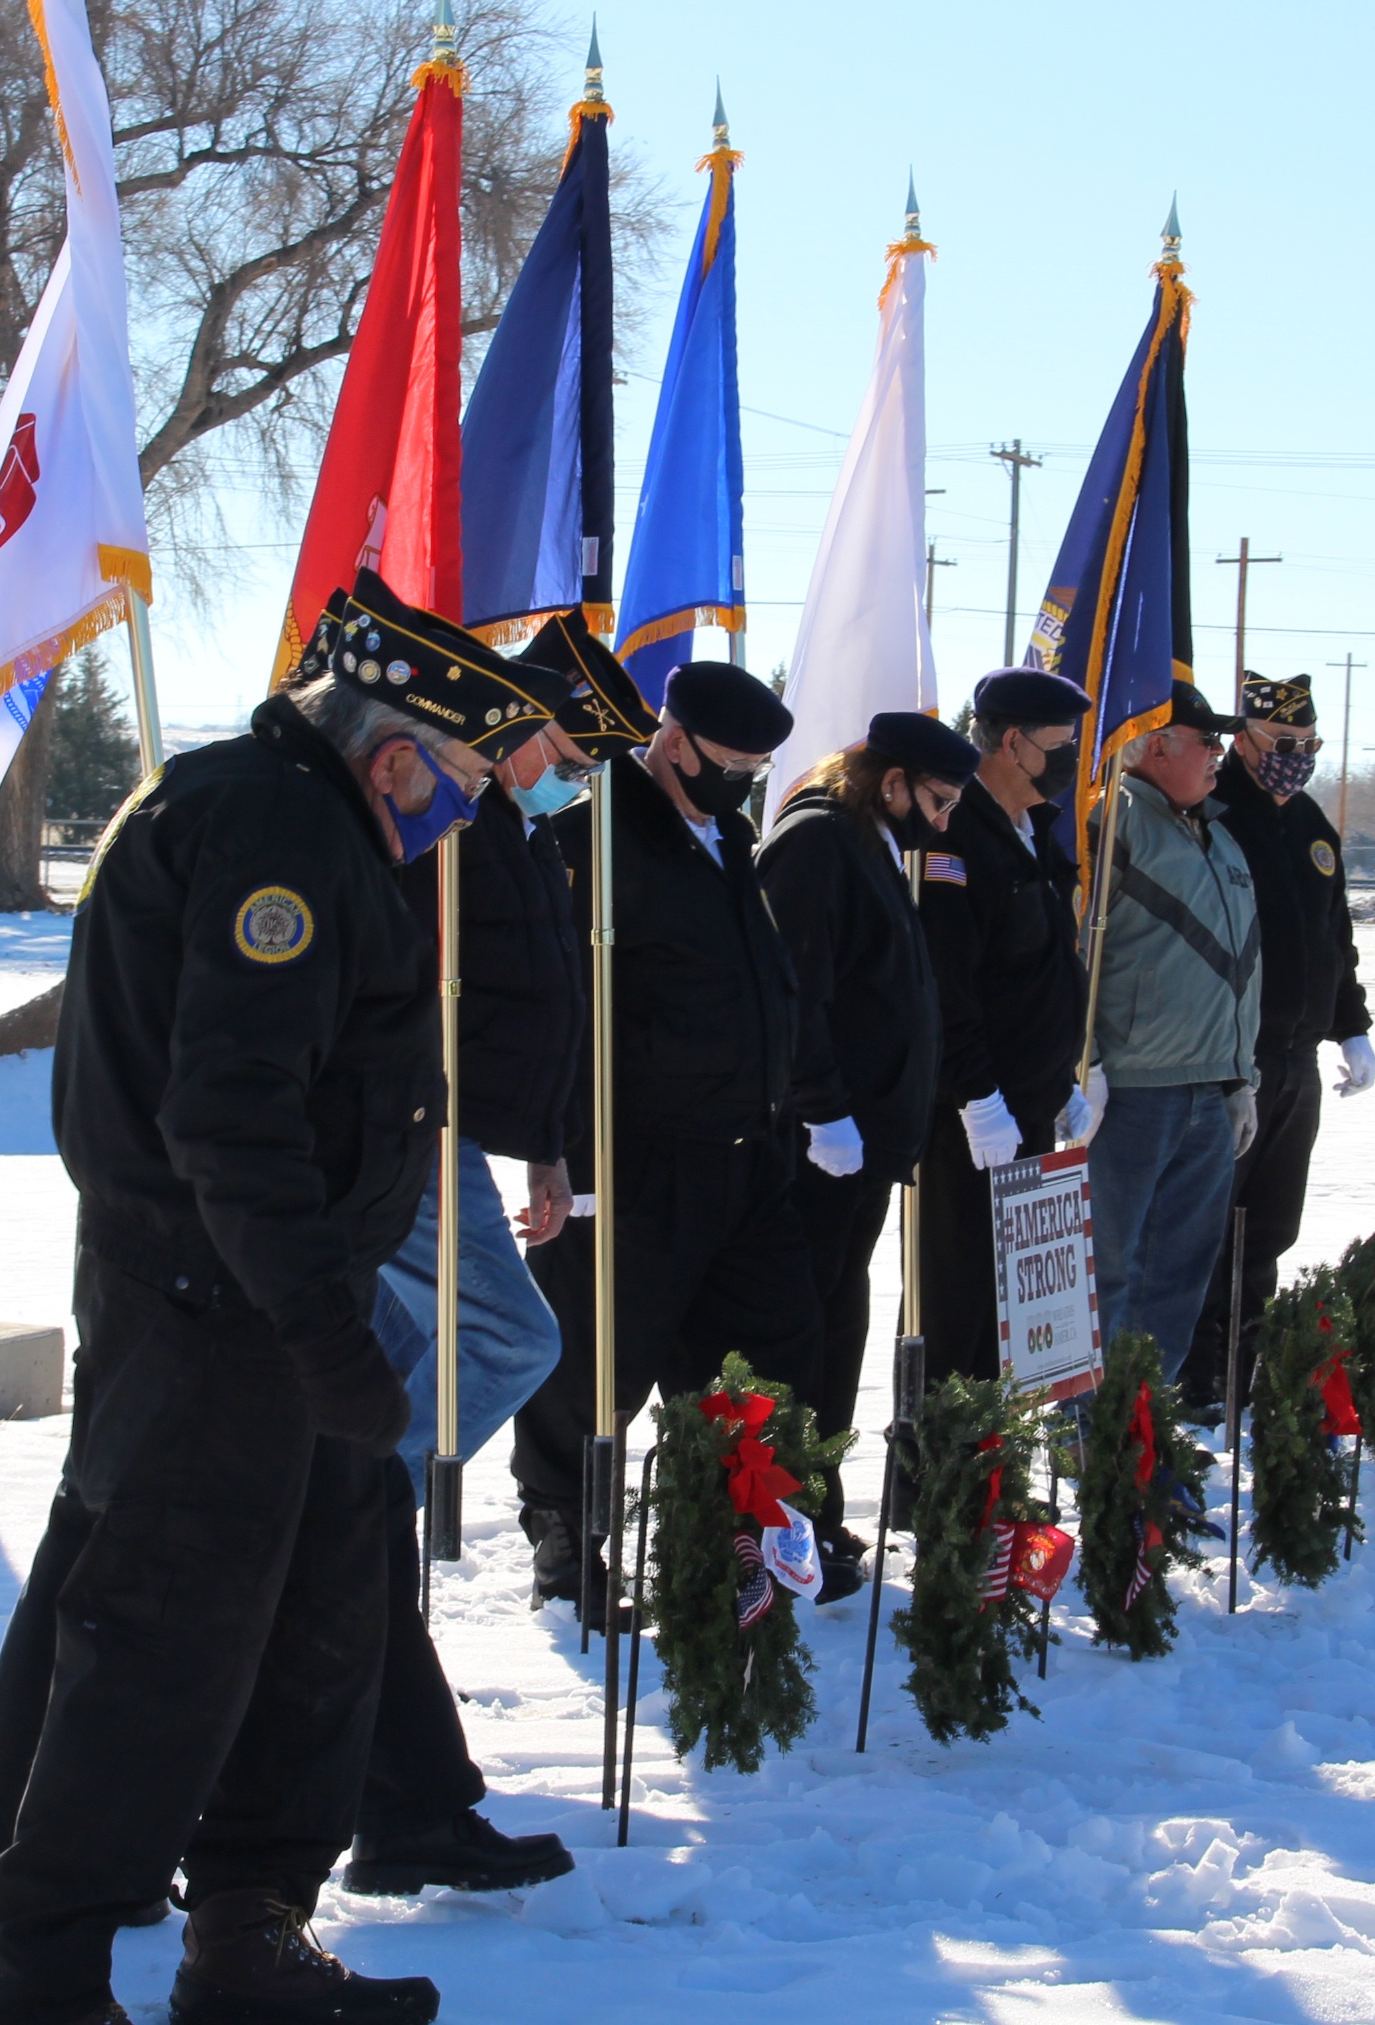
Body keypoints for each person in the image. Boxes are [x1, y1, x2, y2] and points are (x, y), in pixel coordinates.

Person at [0, 572, 553, 2025]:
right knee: (167, 1644)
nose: (469, 812)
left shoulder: (316, 818)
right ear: (396, 751)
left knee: (321, 1625)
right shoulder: (277, 829)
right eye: (466, 779)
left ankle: (248, 1930)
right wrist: (318, 1332)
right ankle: (39, 1972)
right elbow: (230, 1120)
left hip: (285, 1299)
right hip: (219, 1309)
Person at [339, 623, 618, 1902]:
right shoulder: (451, 828)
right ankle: (345, 1512)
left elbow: (539, 997)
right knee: (513, 1339)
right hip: (405, 1126)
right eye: (567, 745)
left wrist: (547, 1147)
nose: (575, 773)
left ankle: (347, 1506)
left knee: (404, 1369)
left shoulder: (509, 829)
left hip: (466, 1129)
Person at [506, 659, 820, 1624]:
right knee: (599, 1357)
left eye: (762, 766)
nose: (748, 780)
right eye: (734, 760)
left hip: (746, 1150)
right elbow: (550, 1004)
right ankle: (566, 1533)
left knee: (764, 1347)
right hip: (635, 1157)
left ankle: (724, 1529)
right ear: (673, 742)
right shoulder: (595, 833)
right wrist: (555, 1141)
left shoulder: (725, 832)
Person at [751, 709, 980, 1598]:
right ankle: (783, 1510)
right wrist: (822, 1109)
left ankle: (815, 1500)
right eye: (936, 798)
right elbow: (796, 991)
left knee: (837, 1329)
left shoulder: (875, 845)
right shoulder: (816, 845)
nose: (945, 819)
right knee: (802, 1334)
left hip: (869, 1148)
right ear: (890, 784)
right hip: (822, 1147)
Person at [1180, 671, 1375, 1415]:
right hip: (1230, 1057)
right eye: (1285, 742)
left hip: (1297, 1061)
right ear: (1244, 740)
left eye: (1309, 743)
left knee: (1268, 1227)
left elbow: (1336, 937)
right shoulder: (1216, 815)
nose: (1299, 756)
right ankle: (1192, 1377)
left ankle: (1240, 1375)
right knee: (1208, 1228)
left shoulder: (1312, 827)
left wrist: (1351, 1026)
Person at [913, 669, 1097, 1391]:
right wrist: (976, 1094)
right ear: (1012, 742)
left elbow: (1045, 969)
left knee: (1014, 1303)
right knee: (959, 1296)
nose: (1071, 760)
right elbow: (949, 981)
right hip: (972, 1114)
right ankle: (941, 1461)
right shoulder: (957, 829)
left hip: (1028, 1100)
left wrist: (1060, 1081)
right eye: (1061, 745)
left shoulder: (1039, 830)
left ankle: (989, 1460)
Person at [1082, 680, 1260, 1384]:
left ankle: (1143, 1437)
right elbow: (1074, 951)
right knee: (1110, 1273)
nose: (1221, 754)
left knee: (1177, 1279)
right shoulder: (1109, 822)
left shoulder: (1216, 834)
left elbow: (1243, 969)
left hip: (1207, 1095)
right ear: (1157, 746)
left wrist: (1240, 1078)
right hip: (1128, 1096)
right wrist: (1085, 1061)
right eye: (1207, 741)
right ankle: (1093, 1443)